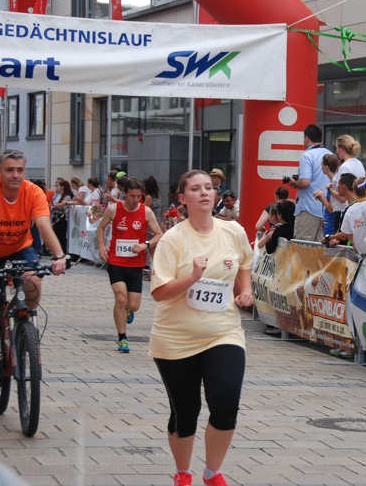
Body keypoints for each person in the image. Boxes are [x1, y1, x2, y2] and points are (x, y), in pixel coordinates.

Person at [149, 169, 254, 486]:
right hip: (176, 339)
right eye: (196, 189)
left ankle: (212, 472)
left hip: (223, 332)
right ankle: (183, 473)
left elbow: (245, 262)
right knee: (186, 411)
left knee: (225, 404)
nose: (205, 193)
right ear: (182, 198)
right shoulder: (172, 240)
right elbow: (159, 292)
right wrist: (192, 278)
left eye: (209, 187)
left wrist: (245, 290)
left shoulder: (233, 231)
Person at [0, 149, 69, 401]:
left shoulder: (33, 191)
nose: (15, 175)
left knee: (33, 281)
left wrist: (60, 256)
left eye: (20, 170)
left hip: (19, 248)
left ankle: (24, 329)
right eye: (9, 170)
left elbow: (43, 225)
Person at [97, 177, 163, 353]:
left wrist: (145, 245)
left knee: (133, 305)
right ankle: (122, 339)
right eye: (132, 196)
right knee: (120, 298)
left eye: (138, 196)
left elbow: (159, 234)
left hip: (135, 263)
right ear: (124, 194)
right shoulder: (114, 209)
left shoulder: (146, 211)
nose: (135, 200)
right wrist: (102, 246)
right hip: (116, 261)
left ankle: (128, 310)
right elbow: (101, 227)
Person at [287, 124, 332, 241]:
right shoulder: (330, 155)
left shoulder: (307, 156)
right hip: (325, 209)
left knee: (303, 246)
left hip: (308, 208)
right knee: (320, 248)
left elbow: (305, 182)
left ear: (307, 138)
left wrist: (294, 183)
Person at [313, 153, 340, 235]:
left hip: (331, 223)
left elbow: (331, 209)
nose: (321, 166)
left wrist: (322, 196)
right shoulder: (333, 181)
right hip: (329, 221)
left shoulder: (334, 183)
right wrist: (322, 199)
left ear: (326, 167)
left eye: (322, 164)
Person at [51, 178, 74, 254]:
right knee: (57, 235)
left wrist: (56, 206)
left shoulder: (67, 196)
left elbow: (63, 207)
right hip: (57, 217)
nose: (58, 187)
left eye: (60, 186)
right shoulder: (60, 196)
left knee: (61, 236)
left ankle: (63, 252)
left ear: (63, 187)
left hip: (62, 219)